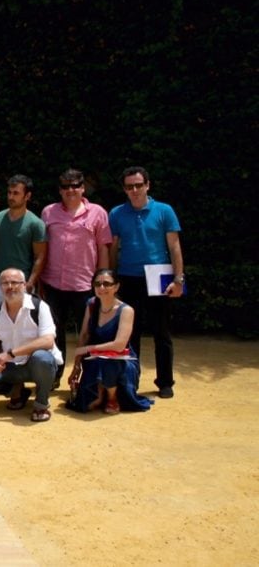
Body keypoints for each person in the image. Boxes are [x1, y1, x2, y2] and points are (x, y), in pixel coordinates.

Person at [109, 166, 184, 398]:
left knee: (161, 332)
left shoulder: (164, 210)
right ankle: (131, 381)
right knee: (130, 334)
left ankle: (165, 382)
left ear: (147, 185)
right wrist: (111, 279)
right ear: (124, 189)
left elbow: (174, 246)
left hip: (159, 275)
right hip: (128, 276)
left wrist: (179, 279)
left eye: (138, 185)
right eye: (129, 186)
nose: (134, 190)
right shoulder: (116, 213)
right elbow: (112, 249)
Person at [40, 169, 112, 385]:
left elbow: (103, 249)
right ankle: (54, 375)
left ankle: (89, 378)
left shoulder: (98, 213)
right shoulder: (48, 212)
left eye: (75, 185)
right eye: (65, 186)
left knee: (88, 333)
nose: (70, 190)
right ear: (60, 190)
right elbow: (41, 248)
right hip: (53, 284)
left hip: (85, 285)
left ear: (83, 187)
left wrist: (103, 282)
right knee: (53, 333)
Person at [0, 268, 62, 423]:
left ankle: (41, 404)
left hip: (36, 365)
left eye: (15, 282)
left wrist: (10, 353)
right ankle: (17, 390)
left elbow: (48, 341)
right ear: (0, 287)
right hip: (11, 367)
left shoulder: (40, 307)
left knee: (43, 358)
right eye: (5, 283)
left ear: (24, 285)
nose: (10, 287)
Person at [64, 269, 153, 414]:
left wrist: (88, 349)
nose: (101, 288)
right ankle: (100, 394)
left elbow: (119, 345)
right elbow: (84, 334)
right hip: (95, 357)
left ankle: (112, 397)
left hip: (122, 360)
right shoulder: (92, 304)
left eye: (106, 284)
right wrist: (77, 365)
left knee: (108, 362)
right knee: (86, 405)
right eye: (97, 284)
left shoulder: (126, 310)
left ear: (116, 287)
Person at [0, 174, 46, 312]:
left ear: (27, 196)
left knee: (20, 330)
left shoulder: (36, 224)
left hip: (20, 285)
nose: (11, 197)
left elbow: (40, 257)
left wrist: (30, 283)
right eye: (9, 192)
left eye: (16, 193)